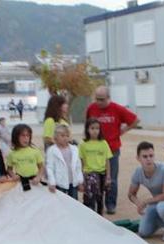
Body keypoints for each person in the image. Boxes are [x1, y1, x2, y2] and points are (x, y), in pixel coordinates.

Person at [85, 85, 140, 214]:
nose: (99, 102)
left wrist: (124, 130)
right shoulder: (91, 108)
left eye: (102, 99)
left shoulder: (117, 109)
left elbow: (136, 120)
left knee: (111, 178)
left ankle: (110, 204)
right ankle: (97, 204)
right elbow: (87, 125)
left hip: (112, 149)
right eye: (97, 99)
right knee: (95, 177)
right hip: (94, 149)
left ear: (109, 98)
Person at [128, 141, 164, 242]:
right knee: (143, 232)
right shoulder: (138, 172)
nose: (149, 159)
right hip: (157, 202)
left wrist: (145, 202)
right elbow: (131, 194)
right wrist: (139, 204)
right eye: (145, 156)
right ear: (138, 158)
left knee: (162, 207)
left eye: (151, 155)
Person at [79, 118, 113, 214]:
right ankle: (89, 217)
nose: (95, 131)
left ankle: (100, 217)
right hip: (89, 174)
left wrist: (108, 176)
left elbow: (107, 160)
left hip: (101, 174)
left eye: (97, 128)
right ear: (87, 129)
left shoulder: (103, 143)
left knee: (100, 197)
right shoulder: (83, 144)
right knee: (89, 198)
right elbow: (81, 161)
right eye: (92, 128)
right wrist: (81, 176)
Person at [45, 124, 83, 199]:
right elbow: (49, 167)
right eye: (62, 136)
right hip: (60, 182)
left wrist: (80, 180)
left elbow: (78, 166)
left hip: (73, 181)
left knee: (74, 202)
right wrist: (52, 182)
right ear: (55, 137)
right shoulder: (52, 150)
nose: (65, 138)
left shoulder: (74, 149)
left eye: (67, 136)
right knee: (61, 202)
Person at [7, 124, 44, 191]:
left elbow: (41, 167)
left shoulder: (35, 151)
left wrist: (38, 177)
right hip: (20, 183)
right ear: (16, 137)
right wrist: (13, 176)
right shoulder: (11, 154)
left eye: (28, 135)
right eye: (23, 135)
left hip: (34, 182)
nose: (26, 138)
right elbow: (9, 169)